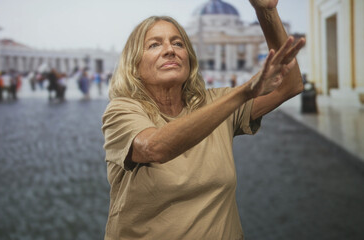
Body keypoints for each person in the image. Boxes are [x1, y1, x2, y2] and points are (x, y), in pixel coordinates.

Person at [101, 0, 305, 239]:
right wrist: (242, 93)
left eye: (178, 43)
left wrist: (267, 11)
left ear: (189, 59)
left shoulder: (215, 102)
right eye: (154, 45)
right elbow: (154, 147)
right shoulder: (121, 110)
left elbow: (290, 86)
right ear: (134, 65)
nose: (170, 50)